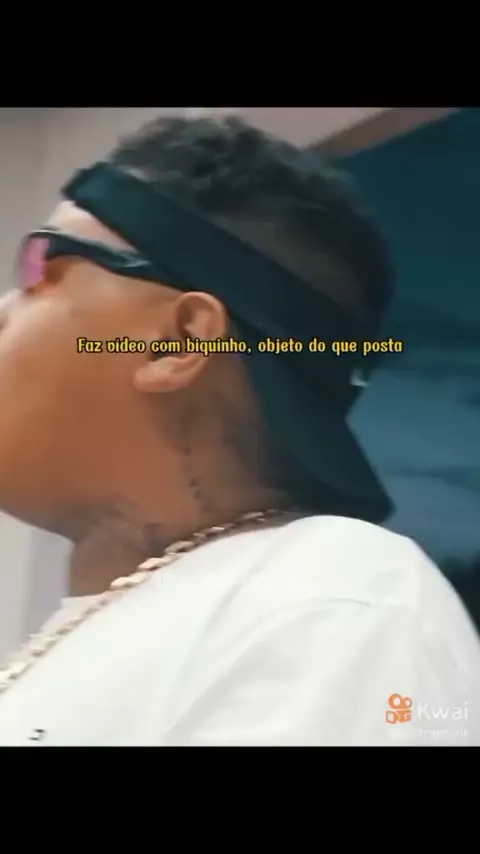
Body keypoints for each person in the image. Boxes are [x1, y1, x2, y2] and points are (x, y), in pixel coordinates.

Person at [0, 116, 477, 747]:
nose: (4, 307)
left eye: (41, 268)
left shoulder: (337, 604)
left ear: (177, 341)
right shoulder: (148, 619)